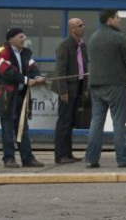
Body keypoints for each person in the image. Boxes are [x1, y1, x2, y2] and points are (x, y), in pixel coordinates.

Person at [84, 9, 126, 168]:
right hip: (115, 85)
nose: (120, 20)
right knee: (119, 123)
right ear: (109, 20)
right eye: (117, 18)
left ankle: (91, 159)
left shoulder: (93, 38)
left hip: (96, 85)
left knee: (96, 122)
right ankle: (123, 158)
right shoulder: (119, 38)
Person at [0, 27, 46, 168]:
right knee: (7, 129)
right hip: (7, 96)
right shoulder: (2, 53)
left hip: (21, 96)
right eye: (21, 36)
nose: (24, 39)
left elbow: (32, 67)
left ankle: (27, 158)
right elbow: (7, 73)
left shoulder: (26, 53)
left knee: (23, 128)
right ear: (11, 39)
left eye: (24, 36)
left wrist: (37, 76)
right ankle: (9, 158)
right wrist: (26, 80)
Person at [53, 18, 89, 164]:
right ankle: (60, 155)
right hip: (67, 89)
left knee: (72, 121)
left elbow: (84, 68)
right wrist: (63, 91)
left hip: (78, 87)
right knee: (64, 122)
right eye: (80, 26)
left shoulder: (82, 45)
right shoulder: (65, 45)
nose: (83, 27)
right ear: (72, 29)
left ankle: (68, 153)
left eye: (83, 24)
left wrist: (85, 88)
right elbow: (60, 70)